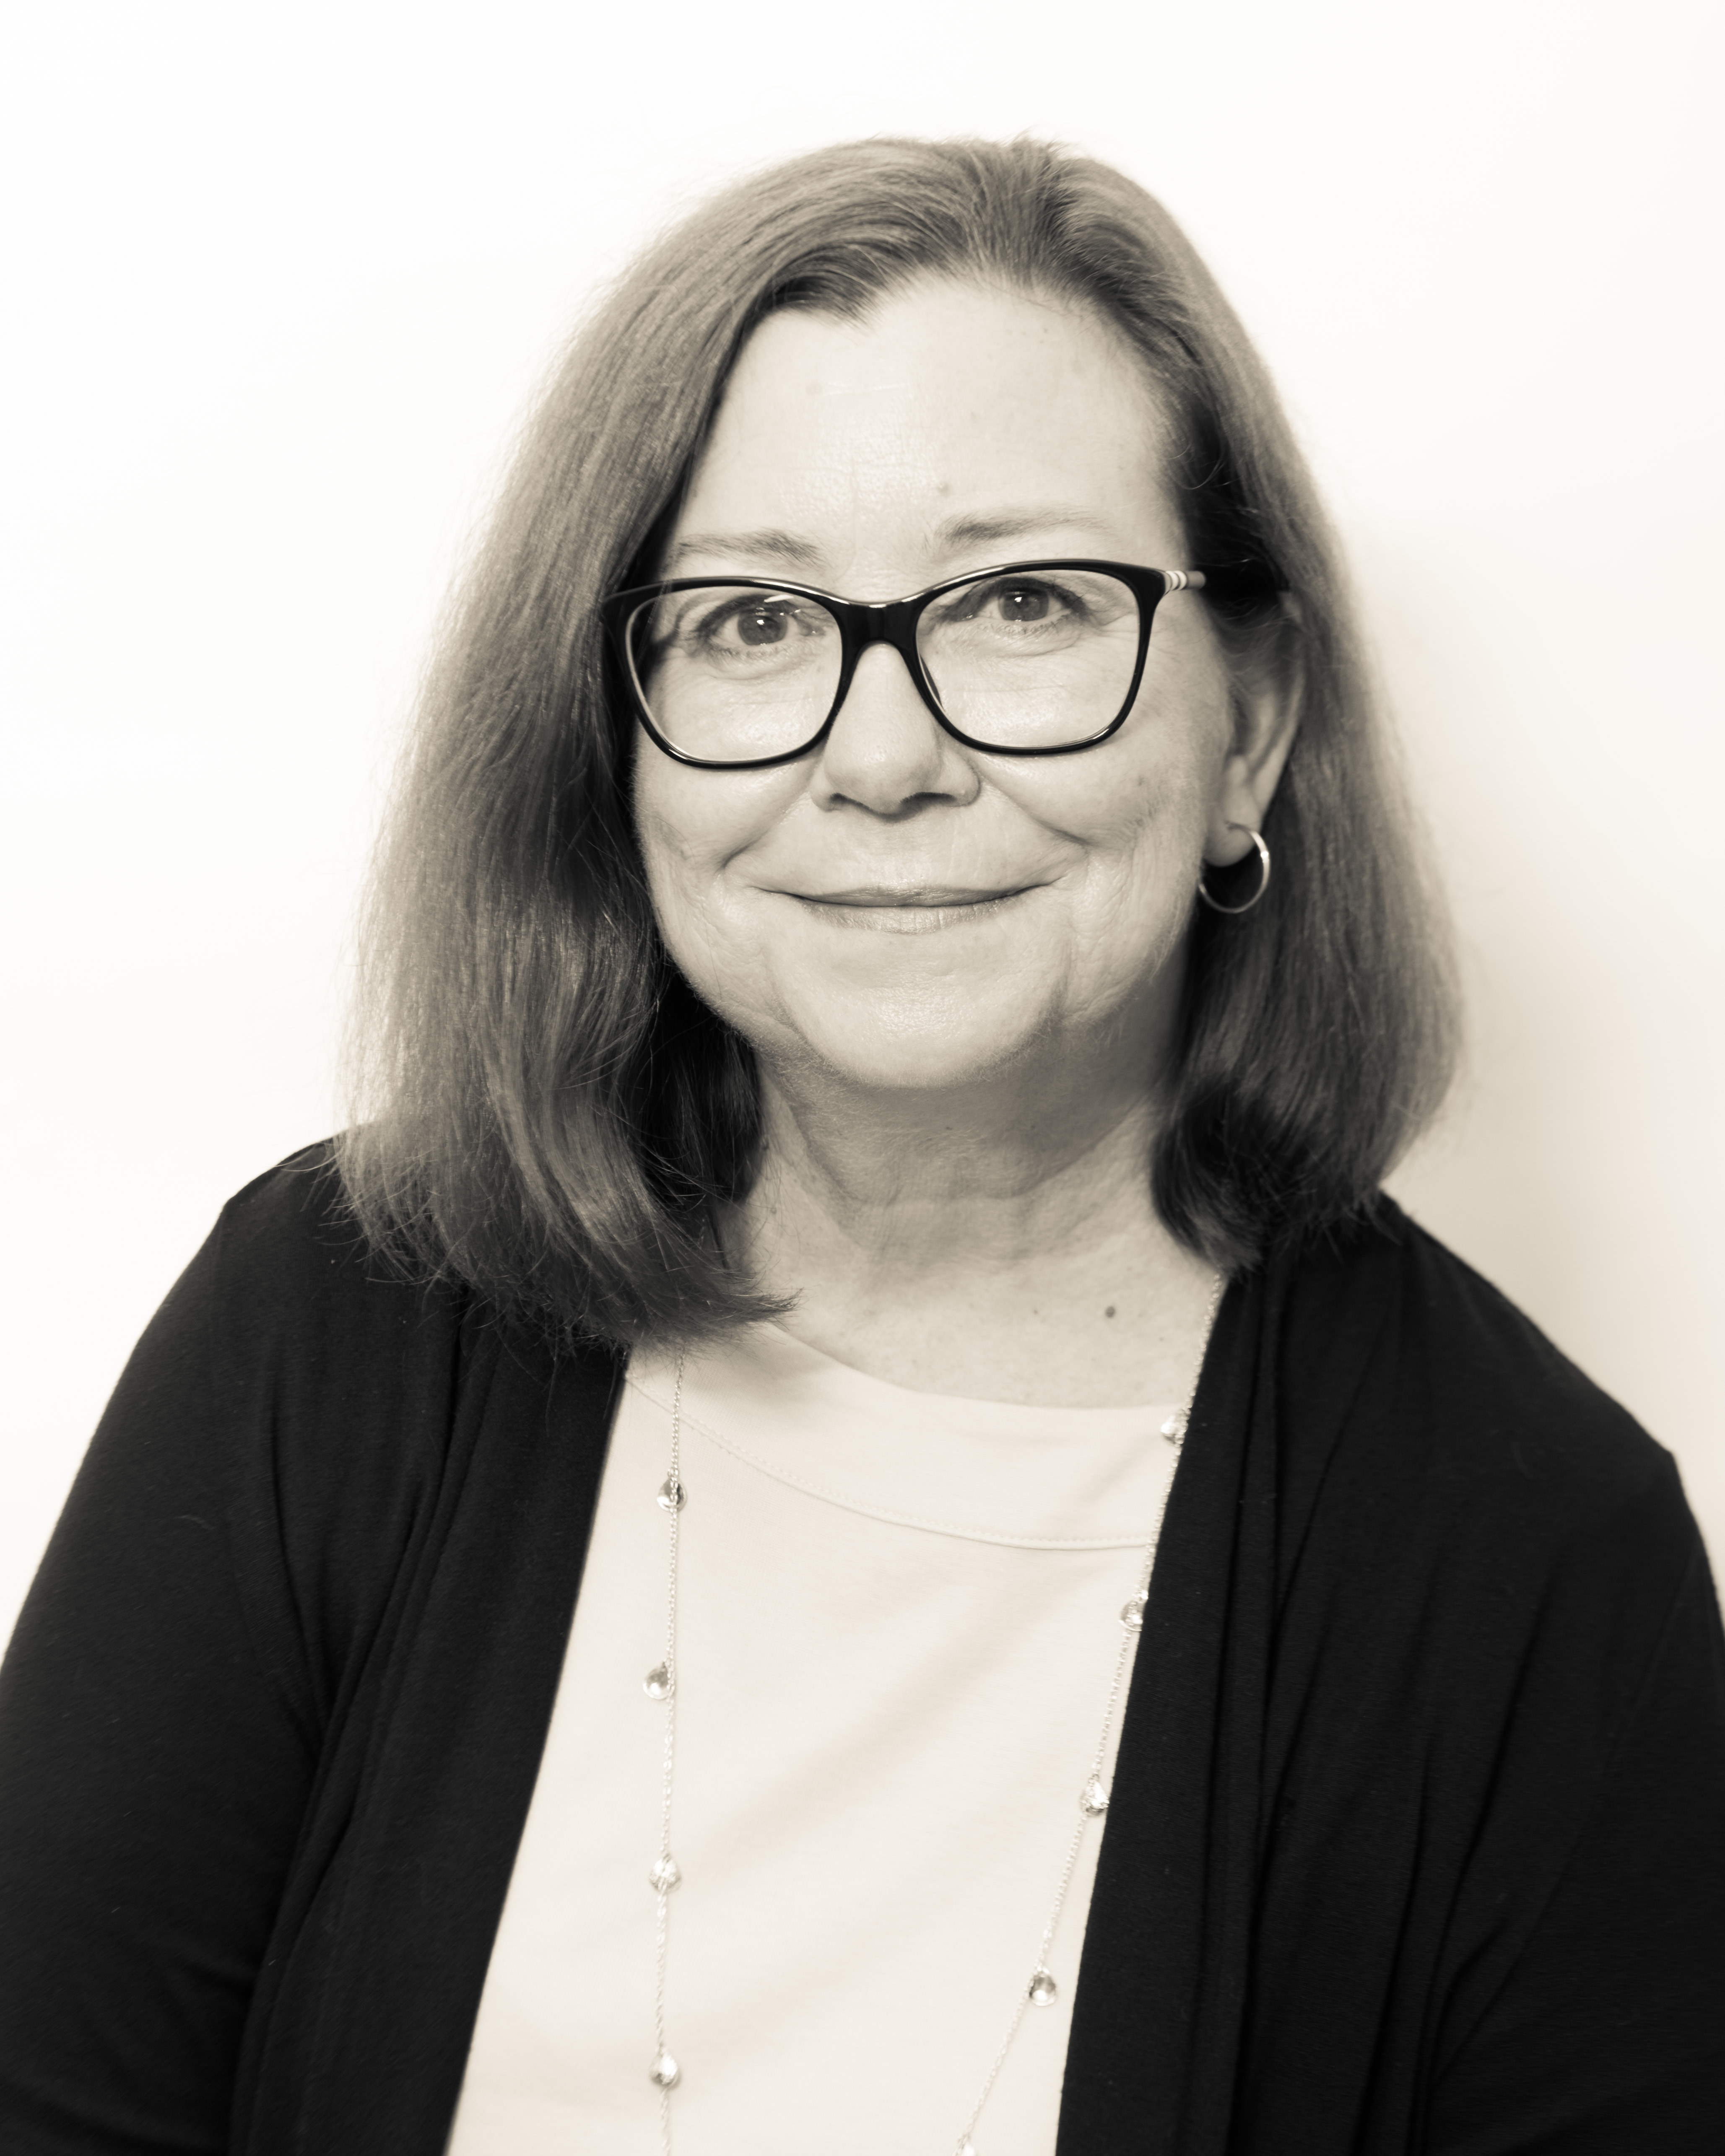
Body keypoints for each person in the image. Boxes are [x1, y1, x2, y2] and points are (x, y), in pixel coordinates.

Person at [0, 135, 1720, 2156]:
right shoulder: (335, 1321)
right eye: (750, 621)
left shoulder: (1541, 1565)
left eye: (1025, 602)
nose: (883, 756)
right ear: (613, 730)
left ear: (1249, 727)